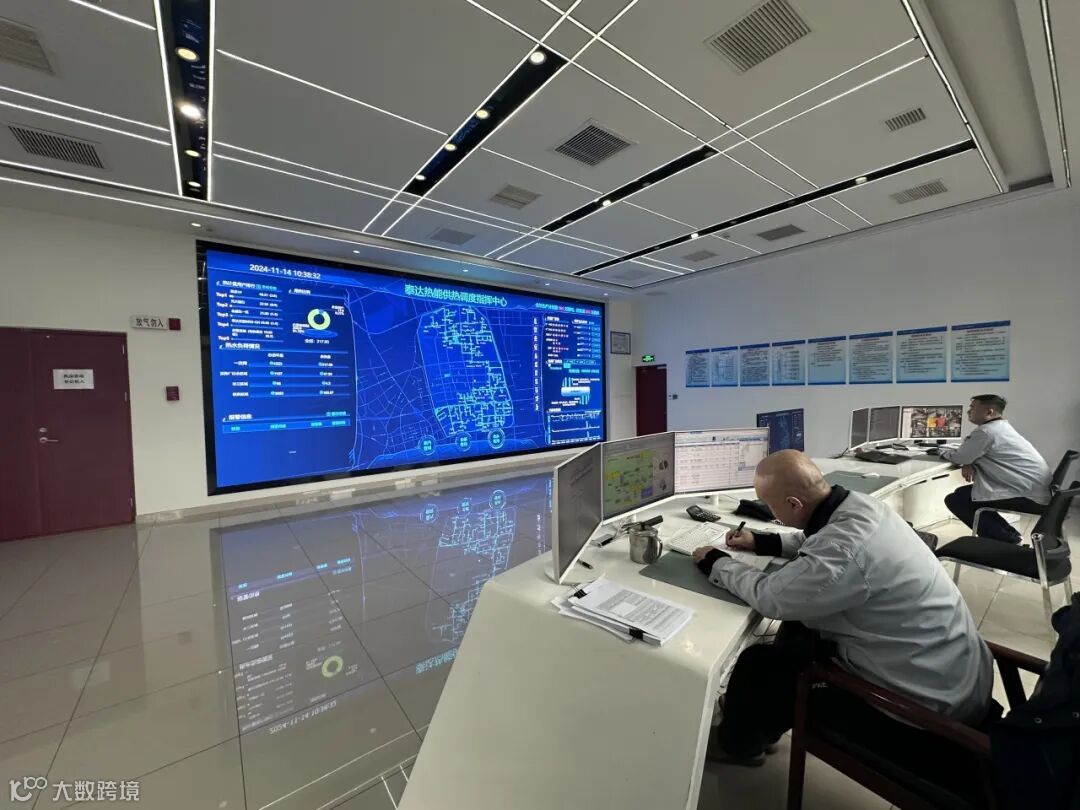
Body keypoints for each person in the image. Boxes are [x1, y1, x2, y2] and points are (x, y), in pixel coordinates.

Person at [692, 450, 992, 766]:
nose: (770, 511)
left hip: (925, 714)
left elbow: (772, 597)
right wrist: (762, 542)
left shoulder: (843, 547)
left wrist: (716, 562)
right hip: (952, 675)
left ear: (794, 504)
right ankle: (757, 721)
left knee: (759, 664)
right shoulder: (862, 507)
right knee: (798, 630)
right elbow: (819, 540)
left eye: (770, 505)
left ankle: (738, 745)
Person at [940, 394, 1051, 544]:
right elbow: (969, 455)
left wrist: (942, 453)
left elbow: (961, 457)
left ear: (989, 412)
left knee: (957, 500)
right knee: (962, 495)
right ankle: (1010, 536)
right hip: (1035, 489)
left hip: (1026, 495)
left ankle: (1007, 540)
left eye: (973, 407)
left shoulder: (986, 432)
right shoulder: (999, 427)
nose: (968, 411)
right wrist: (968, 462)